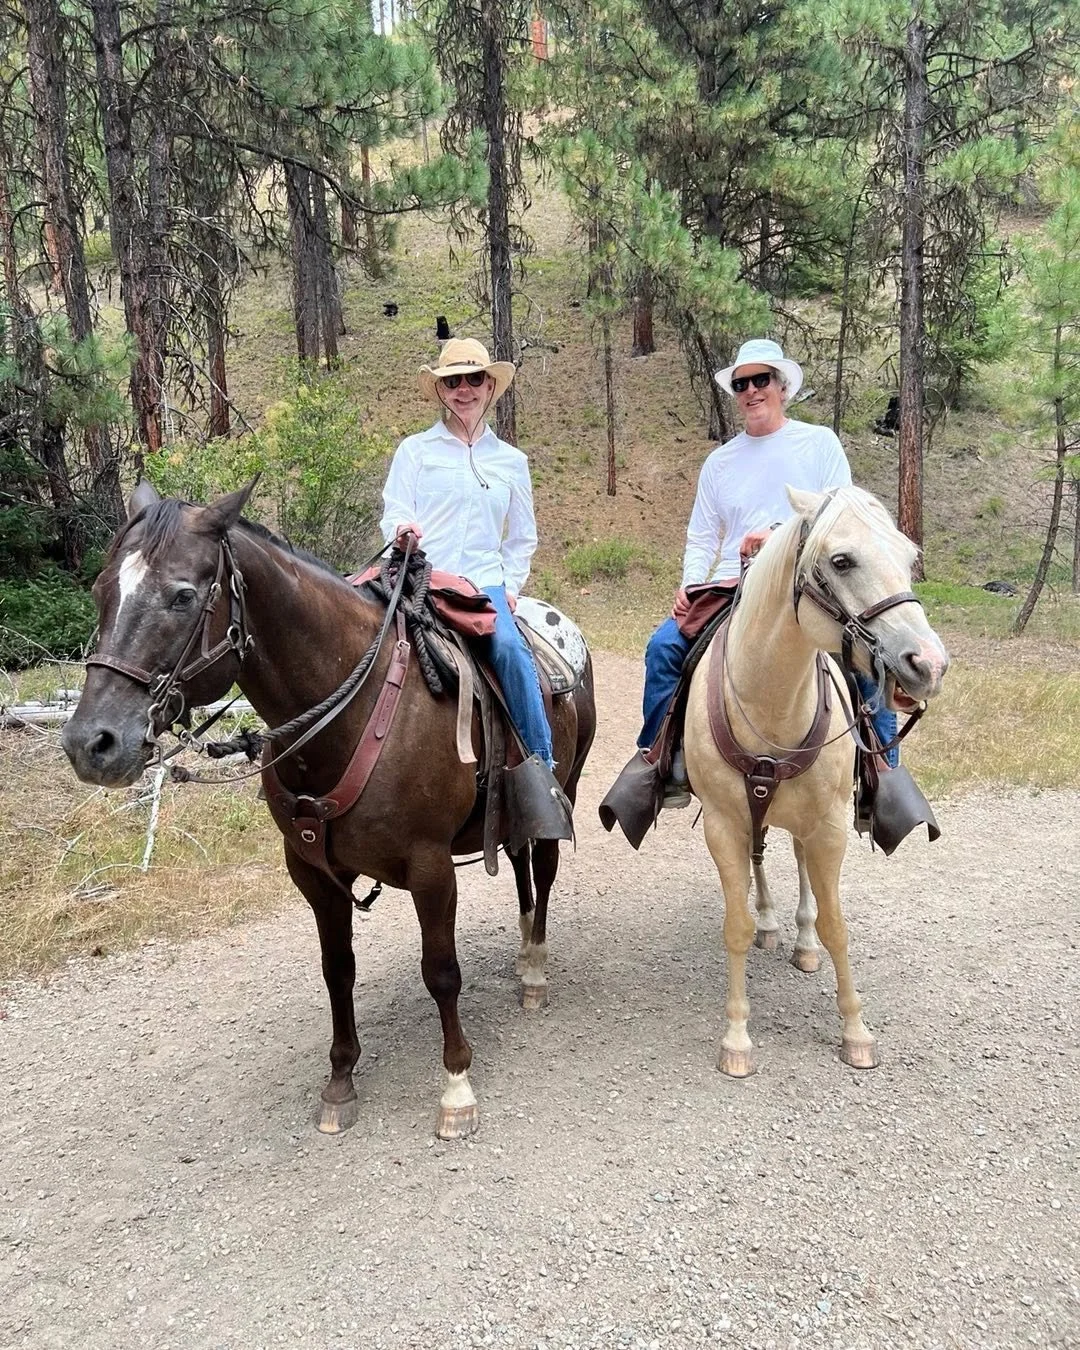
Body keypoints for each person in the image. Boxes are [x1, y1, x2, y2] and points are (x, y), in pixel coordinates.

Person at [638, 337, 897, 807]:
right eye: (741, 384)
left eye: (761, 380)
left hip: (811, 584)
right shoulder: (720, 462)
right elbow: (701, 535)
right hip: (731, 583)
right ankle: (660, 760)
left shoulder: (819, 444)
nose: (751, 391)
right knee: (663, 649)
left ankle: (884, 775)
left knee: (866, 656)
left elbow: (842, 514)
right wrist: (690, 583)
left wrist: (777, 534)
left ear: (782, 387)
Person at [380, 337, 554, 770]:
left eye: (474, 379)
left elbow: (522, 538)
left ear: (489, 386)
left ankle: (541, 770)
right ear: (440, 389)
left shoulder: (512, 461)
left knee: (512, 652)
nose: (464, 389)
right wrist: (402, 529)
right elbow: (395, 511)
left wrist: (509, 587)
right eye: (453, 380)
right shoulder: (415, 451)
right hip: (421, 577)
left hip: (481, 583)